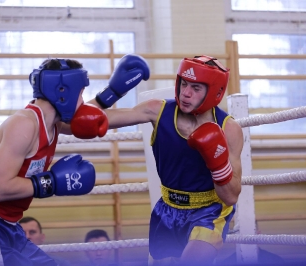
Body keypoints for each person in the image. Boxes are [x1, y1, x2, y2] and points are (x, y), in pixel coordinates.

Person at [0, 55, 149, 266]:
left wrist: (134, 105)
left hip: (9, 226)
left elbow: (96, 117)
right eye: (80, 93)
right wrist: (51, 182)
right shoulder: (24, 125)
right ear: (63, 92)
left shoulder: (54, 123)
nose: (81, 100)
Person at [86, 55, 243, 265]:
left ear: (215, 91)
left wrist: (219, 163)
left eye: (196, 88)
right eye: (184, 84)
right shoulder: (157, 111)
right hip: (168, 208)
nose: (186, 93)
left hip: (209, 210)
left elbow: (231, 196)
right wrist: (110, 94)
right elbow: (86, 122)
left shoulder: (228, 129)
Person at [218, 221, 284, 265]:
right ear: (234, 238)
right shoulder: (226, 263)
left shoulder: (276, 261)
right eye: (240, 233)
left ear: (258, 234)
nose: (246, 238)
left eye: (250, 232)